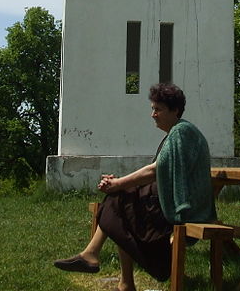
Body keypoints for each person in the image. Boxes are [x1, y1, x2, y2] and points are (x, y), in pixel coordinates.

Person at [53, 83, 216, 291]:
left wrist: (118, 183)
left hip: (183, 210)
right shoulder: (177, 133)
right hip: (171, 203)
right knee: (120, 200)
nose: (153, 115)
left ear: (175, 110)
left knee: (119, 202)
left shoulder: (182, 132)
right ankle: (104, 266)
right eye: (152, 109)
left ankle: (105, 267)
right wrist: (118, 184)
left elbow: (155, 171)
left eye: (158, 109)